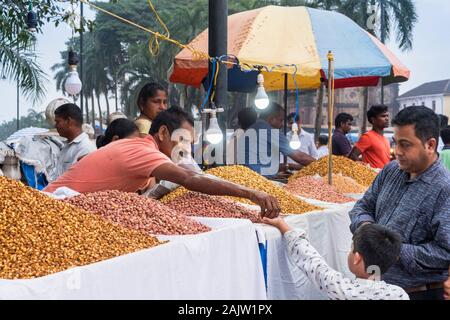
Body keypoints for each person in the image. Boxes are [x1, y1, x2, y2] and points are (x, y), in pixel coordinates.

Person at [44, 107, 281, 218]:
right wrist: (252, 194)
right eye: (183, 140)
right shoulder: (143, 150)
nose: (186, 149)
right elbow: (189, 179)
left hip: (64, 209)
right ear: (164, 132)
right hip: (53, 208)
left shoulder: (141, 148)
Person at [349, 106, 450, 300]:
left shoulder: (444, 189)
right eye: (395, 143)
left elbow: (445, 252)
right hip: (374, 287)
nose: (397, 151)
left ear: (430, 145)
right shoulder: (390, 171)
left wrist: (391, 250)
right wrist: (365, 228)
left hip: (416, 293)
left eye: (405, 145)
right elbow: (363, 206)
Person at [262, 217, 408, 300]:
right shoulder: (399, 294)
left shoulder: (343, 289)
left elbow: (313, 261)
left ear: (356, 258)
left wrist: (283, 225)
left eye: (351, 248)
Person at [242, 102, 315, 177]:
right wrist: (322, 165)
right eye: (281, 120)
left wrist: (290, 166)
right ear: (272, 118)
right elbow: (300, 157)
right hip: (258, 179)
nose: (282, 124)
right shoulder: (270, 131)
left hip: (247, 176)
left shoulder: (254, 127)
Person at [54, 103, 96, 178]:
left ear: (68, 121)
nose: (55, 125)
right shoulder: (66, 147)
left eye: (58, 122)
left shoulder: (85, 148)